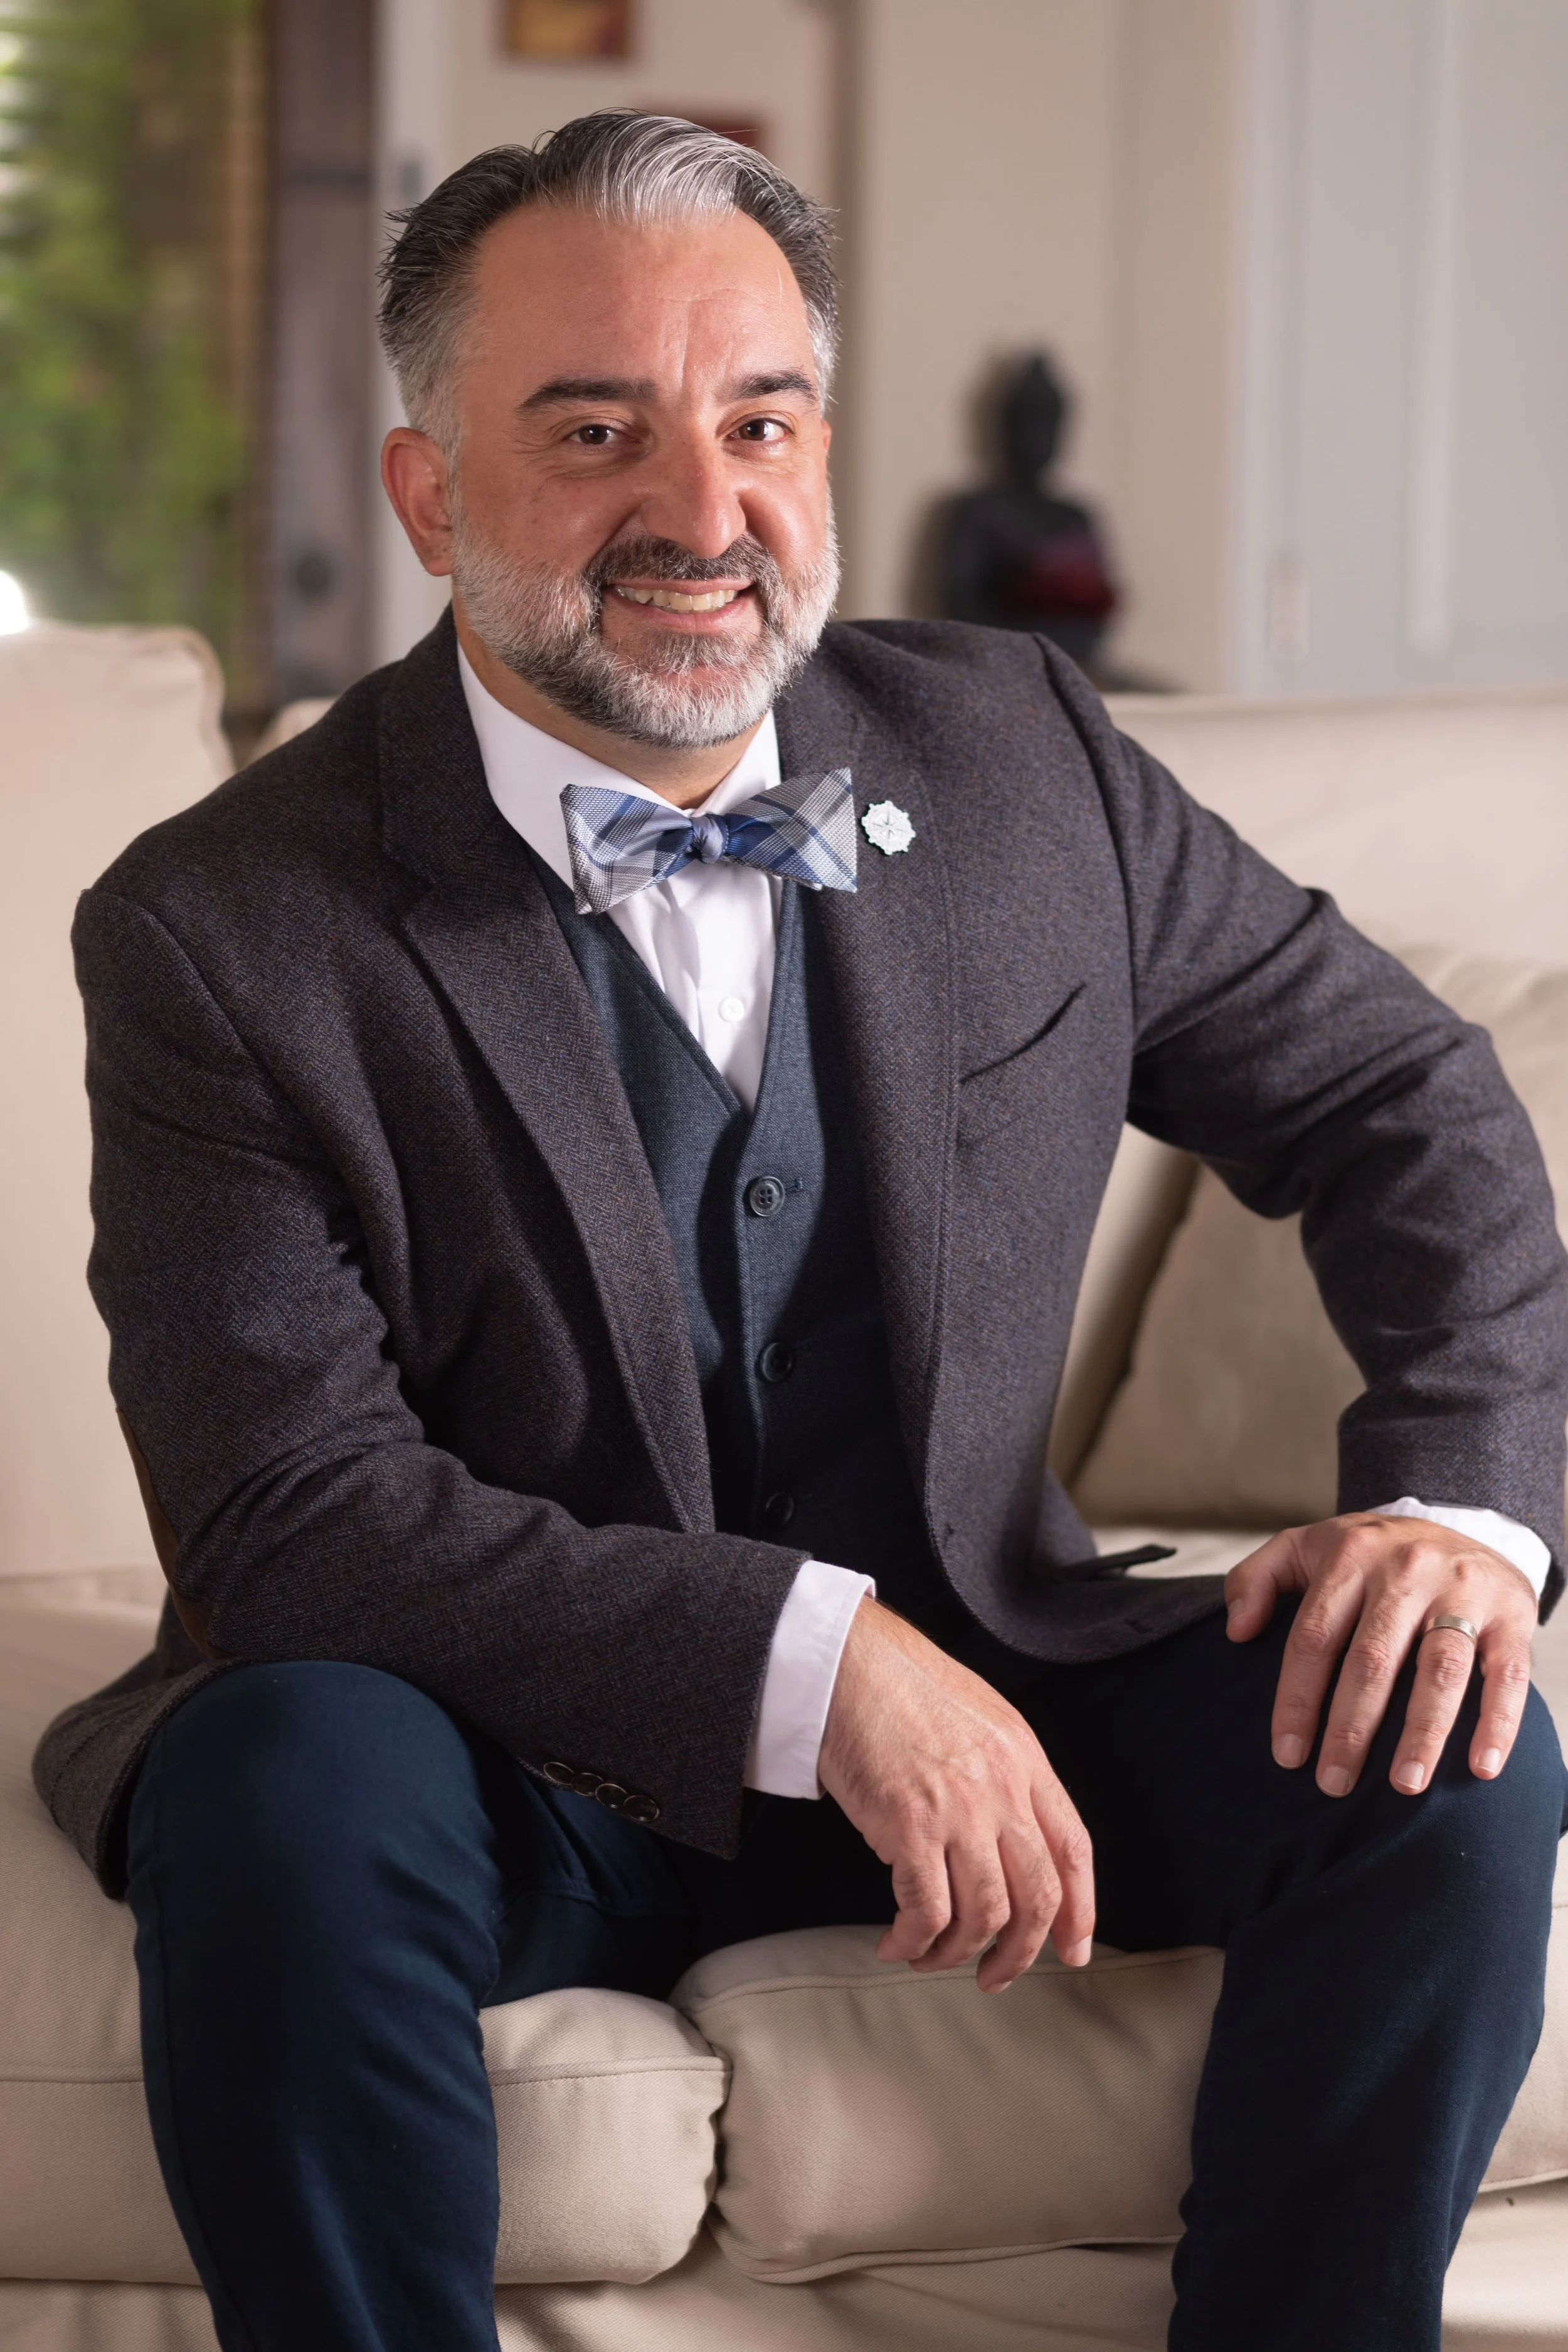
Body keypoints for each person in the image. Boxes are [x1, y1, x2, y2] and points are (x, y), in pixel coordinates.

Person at [35, 112, 1567, 2352]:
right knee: (274, 1769)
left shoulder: (1021, 751)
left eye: (758, 419)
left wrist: (1457, 1500)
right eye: (594, 431)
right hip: (497, 1754)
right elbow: (286, 1512)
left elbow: (1394, 1092)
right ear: (430, 494)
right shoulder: (216, 925)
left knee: (1447, 1725)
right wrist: (815, 1658)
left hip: (1011, 1693)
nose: (703, 509)